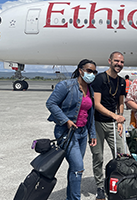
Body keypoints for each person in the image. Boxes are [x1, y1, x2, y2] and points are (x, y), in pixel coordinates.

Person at [46, 59, 98, 200]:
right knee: (78, 168)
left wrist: (92, 134)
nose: (91, 74)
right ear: (80, 70)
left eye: (94, 72)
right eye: (89, 71)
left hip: (82, 133)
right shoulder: (66, 85)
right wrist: (66, 120)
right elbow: (51, 103)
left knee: (75, 169)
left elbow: (90, 114)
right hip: (67, 133)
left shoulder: (90, 89)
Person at [90, 51, 126, 200]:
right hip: (98, 123)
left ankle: (116, 183)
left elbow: (121, 103)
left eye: (122, 62)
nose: (119, 64)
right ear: (110, 61)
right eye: (116, 61)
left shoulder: (122, 81)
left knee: (120, 155)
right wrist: (114, 116)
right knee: (98, 156)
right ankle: (99, 186)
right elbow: (96, 104)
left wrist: (119, 119)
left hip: (113, 124)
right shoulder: (99, 79)